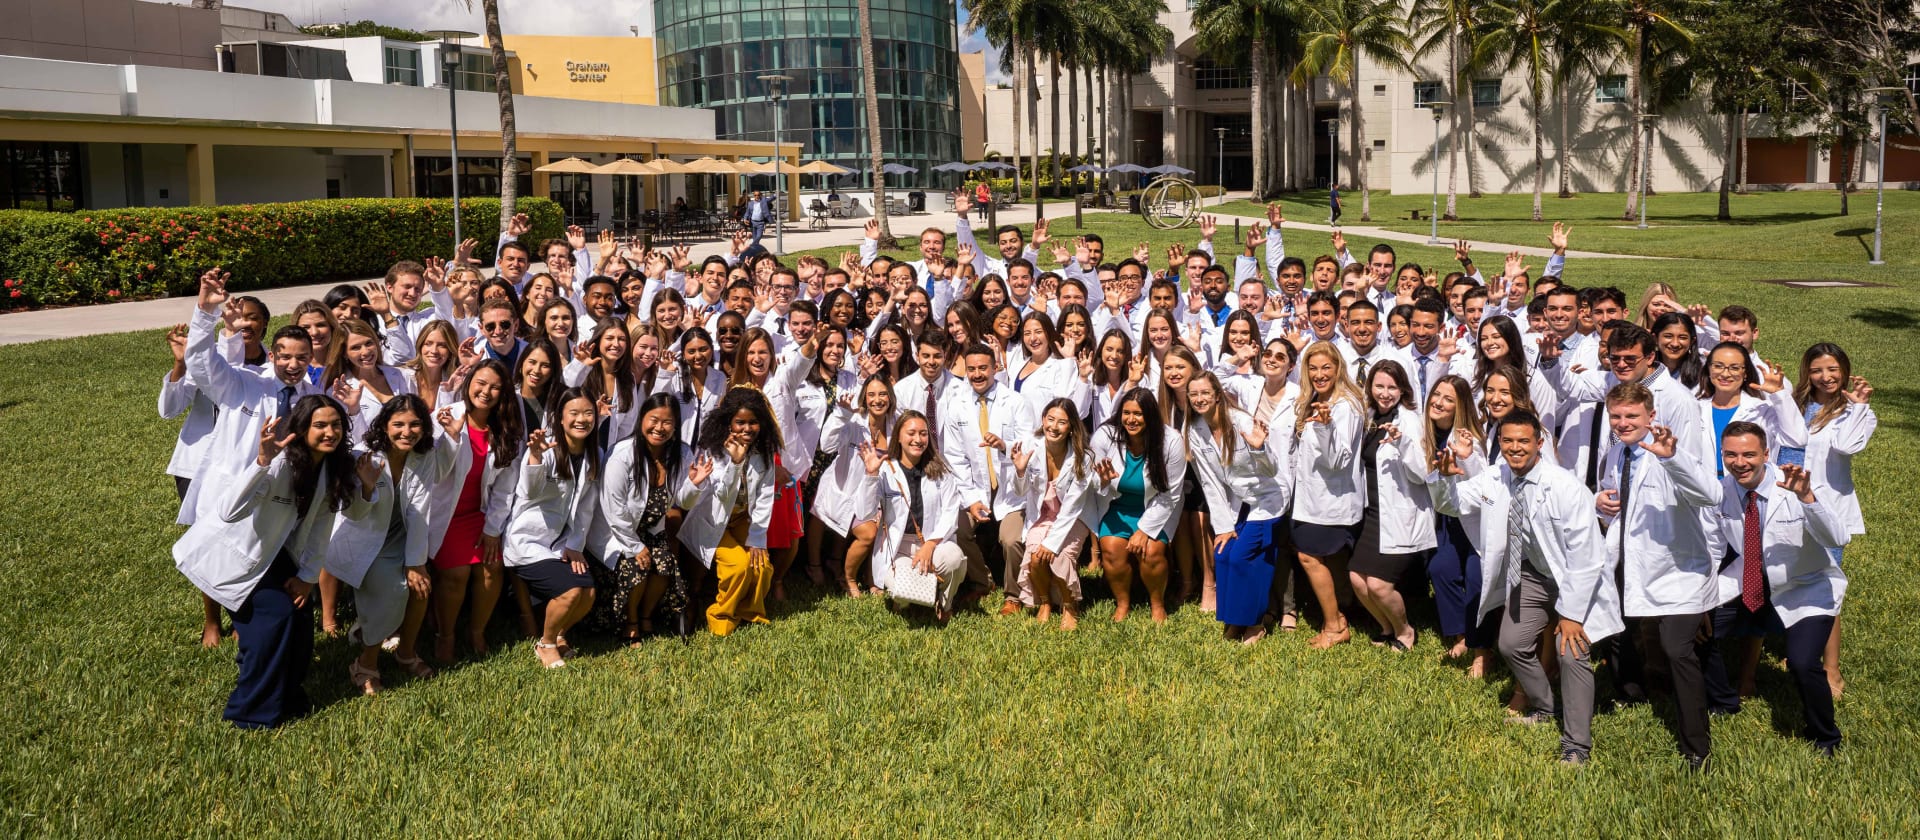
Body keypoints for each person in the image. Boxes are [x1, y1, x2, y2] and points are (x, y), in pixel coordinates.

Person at [1432, 409, 1622, 766]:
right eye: (1508, 441)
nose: (1515, 448)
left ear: (1539, 443)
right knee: (1511, 643)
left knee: (1571, 653)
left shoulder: (1566, 487)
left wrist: (1570, 614)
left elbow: (1587, 557)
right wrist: (1443, 480)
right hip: (1533, 573)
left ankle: (1576, 744)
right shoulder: (1496, 476)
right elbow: (1451, 505)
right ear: (1499, 443)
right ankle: (1545, 706)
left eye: (1523, 441)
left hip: (1573, 580)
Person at [172, 394, 373, 728]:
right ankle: (249, 714)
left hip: (279, 556)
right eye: (319, 425)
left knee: (298, 624)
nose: (329, 432)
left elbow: (324, 526)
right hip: (240, 555)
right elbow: (228, 511)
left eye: (336, 425)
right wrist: (261, 462)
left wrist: (308, 576)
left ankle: (289, 698)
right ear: (302, 427)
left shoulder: (331, 467)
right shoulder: (279, 461)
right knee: (273, 621)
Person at [1594, 382, 1722, 770]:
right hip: (1634, 563)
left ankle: (1697, 747)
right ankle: (1633, 694)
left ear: (1651, 415)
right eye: (1616, 416)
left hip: (1680, 569)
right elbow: (1617, 506)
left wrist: (1671, 459)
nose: (1623, 422)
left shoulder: (1672, 449)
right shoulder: (1617, 453)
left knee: (1676, 648)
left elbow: (1708, 495)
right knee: (1621, 630)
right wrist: (1600, 504)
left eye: (1632, 415)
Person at [1700, 422, 1848, 756]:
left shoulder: (1797, 485)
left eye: (1749, 454)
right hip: (1748, 577)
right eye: (1731, 455)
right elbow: (1712, 548)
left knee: (1800, 662)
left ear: (1767, 454)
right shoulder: (1720, 491)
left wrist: (1807, 498)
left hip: (1805, 586)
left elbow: (1838, 538)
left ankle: (1825, 736)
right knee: (1694, 629)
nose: (1740, 462)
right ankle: (1724, 701)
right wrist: (1702, 598)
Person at [328, 394, 456, 694]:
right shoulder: (365, 456)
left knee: (421, 588)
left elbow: (418, 510)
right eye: (398, 424)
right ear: (384, 426)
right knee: (394, 590)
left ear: (424, 429)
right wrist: (368, 486)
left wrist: (416, 563)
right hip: (365, 539)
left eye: (415, 425)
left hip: (403, 537)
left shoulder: (423, 457)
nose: (406, 432)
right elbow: (352, 513)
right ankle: (366, 663)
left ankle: (406, 652)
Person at [1792, 343, 1875, 698]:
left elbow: (1847, 446)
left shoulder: (1857, 412)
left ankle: (1832, 668)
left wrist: (1858, 408)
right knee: (1792, 578)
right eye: (1816, 370)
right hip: (1790, 506)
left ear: (1844, 370)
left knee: (1827, 588)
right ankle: (1796, 648)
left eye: (1832, 370)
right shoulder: (1795, 405)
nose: (1825, 377)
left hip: (1828, 511)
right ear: (1806, 373)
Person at [426, 360, 521, 662]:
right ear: (468, 383)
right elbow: (433, 474)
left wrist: (492, 529)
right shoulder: (444, 417)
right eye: (481, 382)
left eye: (495, 386)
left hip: (477, 515)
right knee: (456, 574)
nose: (487, 391)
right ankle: (446, 635)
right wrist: (451, 438)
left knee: (492, 569)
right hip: (443, 515)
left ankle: (477, 631)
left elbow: (505, 487)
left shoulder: (504, 430)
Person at [1184, 370, 1287, 643]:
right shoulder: (1196, 430)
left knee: (1242, 557)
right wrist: (1223, 527)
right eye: (1193, 394)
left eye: (1205, 393)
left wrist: (1258, 448)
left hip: (1267, 499)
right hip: (1238, 503)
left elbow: (1272, 468)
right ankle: (1233, 621)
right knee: (1222, 554)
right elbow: (1210, 484)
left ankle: (1254, 623)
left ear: (1217, 395)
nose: (1199, 398)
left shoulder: (1241, 421)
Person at [502, 388, 602, 669]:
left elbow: (586, 507)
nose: (581, 419)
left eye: (588, 413)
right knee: (571, 592)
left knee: (588, 594)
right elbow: (529, 492)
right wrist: (533, 458)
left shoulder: (596, 455)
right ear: (559, 418)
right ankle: (545, 644)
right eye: (574, 413)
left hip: (561, 542)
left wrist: (575, 545)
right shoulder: (546, 450)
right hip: (528, 541)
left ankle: (559, 635)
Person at [942, 343, 1036, 614]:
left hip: (1011, 488)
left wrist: (1004, 445)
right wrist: (971, 500)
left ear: (995, 368)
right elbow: (954, 458)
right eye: (971, 369)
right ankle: (982, 581)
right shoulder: (957, 405)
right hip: (977, 489)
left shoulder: (1015, 402)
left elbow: (1029, 443)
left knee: (1010, 539)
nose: (977, 374)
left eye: (983, 368)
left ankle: (1013, 595)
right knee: (958, 528)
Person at [678, 387, 780, 636]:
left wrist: (757, 538)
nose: (746, 428)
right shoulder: (714, 451)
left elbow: (765, 497)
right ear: (728, 423)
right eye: (740, 422)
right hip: (714, 521)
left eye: (753, 422)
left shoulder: (763, 452)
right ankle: (721, 616)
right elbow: (722, 496)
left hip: (741, 518)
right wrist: (735, 463)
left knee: (761, 565)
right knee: (737, 566)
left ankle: (750, 612)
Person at [1348, 361, 1435, 652]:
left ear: (1403, 389)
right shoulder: (1370, 415)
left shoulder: (1410, 420)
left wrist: (1402, 445)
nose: (1385, 393)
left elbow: (1423, 474)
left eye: (1392, 387)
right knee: (1357, 579)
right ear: (1370, 387)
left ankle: (1405, 632)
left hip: (1401, 513)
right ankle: (1386, 628)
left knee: (1379, 585)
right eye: (1379, 386)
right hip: (1374, 512)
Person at [1413, 374, 1495, 676]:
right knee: (1441, 569)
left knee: (1475, 576)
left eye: (1448, 399)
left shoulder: (1469, 437)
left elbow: (1482, 483)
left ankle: (1482, 650)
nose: (1438, 402)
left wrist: (1467, 457)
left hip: (1475, 520)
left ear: (1460, 406)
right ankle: (1462, 634)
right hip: (1448, 520)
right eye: (1436, 394)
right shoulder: (1428, 434)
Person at [594, 393, 691, 644]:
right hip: (617, 532)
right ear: (641, 420)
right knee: (639, 565)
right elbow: (612, 506)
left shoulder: (681, 454)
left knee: (665, 564)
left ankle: (647, 616)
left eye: (667, 422)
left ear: (676, 425)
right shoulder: (623, 453)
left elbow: (685, 501)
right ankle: (631, 621)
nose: (659, 428)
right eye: (654, 419)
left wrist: (697, 484)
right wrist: (635, 546)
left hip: (650, 529)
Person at [857, 410, 971, 621]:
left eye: (923, 434)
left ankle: (944, 603)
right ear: (898, 437)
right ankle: (906, 599)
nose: (918, 439)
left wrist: (930, 545)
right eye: (911, 433)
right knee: (904, 590)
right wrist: (871, 475)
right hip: (899, 549)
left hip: (934, 543)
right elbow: (864, 512)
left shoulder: (941, 472)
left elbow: (950, 511)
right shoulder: (886, 470)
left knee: (954, 558)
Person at [1290, 342, 1366, 649]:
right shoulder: (1316, 401)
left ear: (1338, 369)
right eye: (1313, 368)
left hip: (1330, 501)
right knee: (1328, 559)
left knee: (1309, 557)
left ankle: (1334, 626)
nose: (1319, 374)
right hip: (1312, 499)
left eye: (1326, 367)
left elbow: (1338, 460)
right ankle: (1339, 616)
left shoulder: (1344, 406)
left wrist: (1324, 428)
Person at [1091, 388, 1185, 623]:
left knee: (1152, 551)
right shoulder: (1105, 435)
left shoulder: (1171, 440)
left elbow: (1171, 494)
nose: (1131, 420)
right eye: (1126, 413)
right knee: (1112, 549)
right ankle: (1123, 603)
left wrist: (1144, 530)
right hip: (1117, 507)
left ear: (1150, 415)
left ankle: (1157, 604)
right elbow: (1090, 479)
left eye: (1138, 414)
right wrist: (1102, 481)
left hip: (1157, 508)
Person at [1007, 398, 1098, 629]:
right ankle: (1045, 602)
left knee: (1057, 556)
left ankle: (1069, 605)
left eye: (1062, 422)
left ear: (1071, 428)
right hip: (1043, 515)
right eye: (1050, 419)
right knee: (1036, 557)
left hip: (1073, 518)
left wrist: (1052, 543)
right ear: (1043, 419)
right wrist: (1019, 472)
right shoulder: (1030, 445)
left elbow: (1072, 507)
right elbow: (1020, 491)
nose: (1054, 427)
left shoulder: (1083, 457)